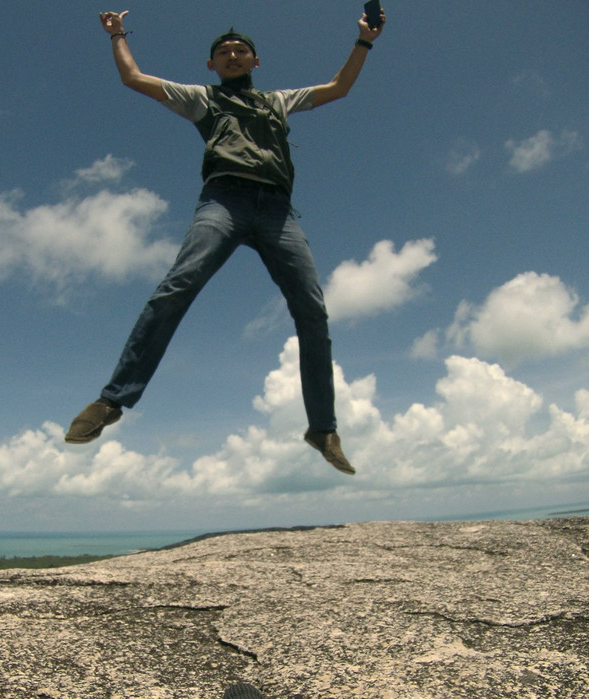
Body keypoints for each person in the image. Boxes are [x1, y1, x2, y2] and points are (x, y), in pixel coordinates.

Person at [64, 8, 387, 475]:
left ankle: (323, 428)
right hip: (224, 202)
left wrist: (364, 41)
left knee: (313, 313)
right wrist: (117, 35)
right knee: (180, 283)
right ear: (212, 65)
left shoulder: (278, 101)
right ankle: (111, 401)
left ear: (256, 61)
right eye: (223, 52)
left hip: (277, 212)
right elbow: (133, 77)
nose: (233, 55)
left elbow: (338, 88)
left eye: (241, 51)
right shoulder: (203, 99)